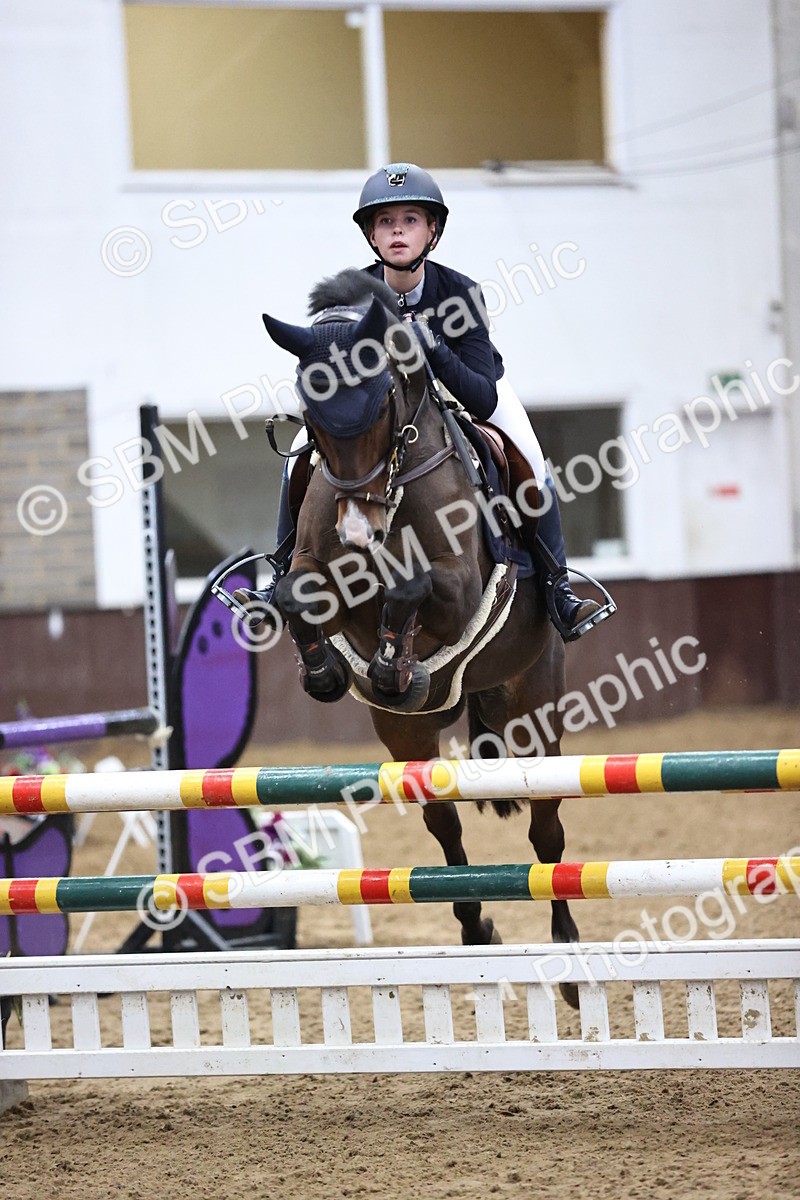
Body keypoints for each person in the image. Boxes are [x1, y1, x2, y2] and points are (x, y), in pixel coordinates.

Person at [236, 163, 613, 641]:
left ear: (432, 231)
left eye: (410, 220)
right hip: (384, 408)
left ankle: (559, 588)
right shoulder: (352, 294)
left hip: (465, 392)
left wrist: (430, 344)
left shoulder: (460, 293)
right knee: (297, 461)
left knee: (531, 458)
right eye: (386, 222)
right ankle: (279, 576)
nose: (397, 231)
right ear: (372, 235)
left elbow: (480, 392)